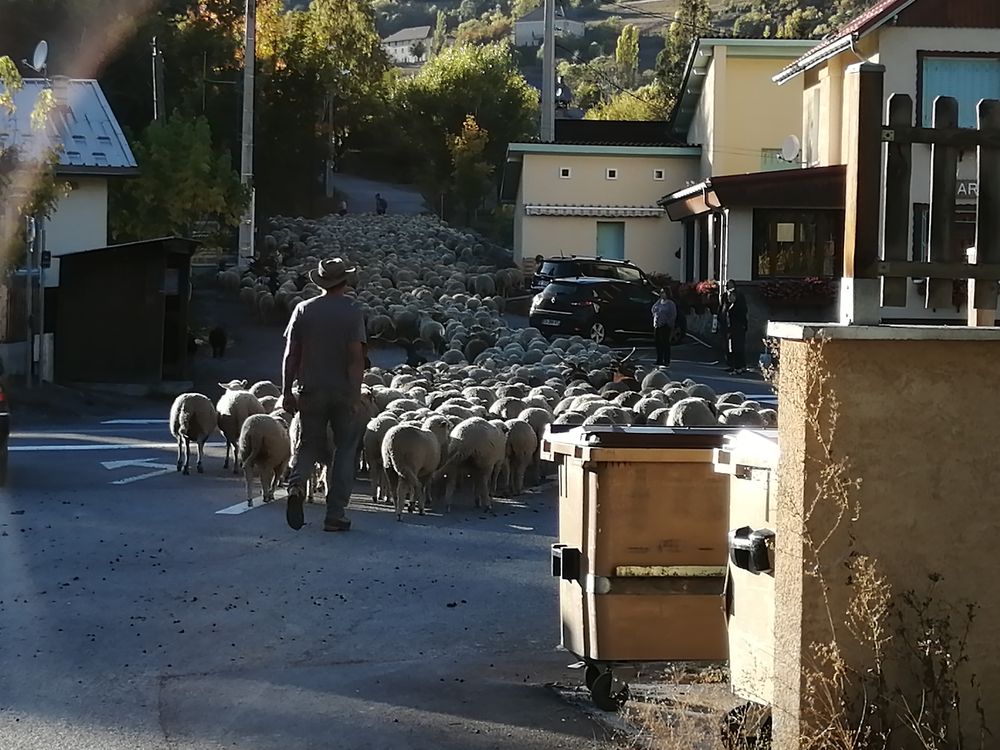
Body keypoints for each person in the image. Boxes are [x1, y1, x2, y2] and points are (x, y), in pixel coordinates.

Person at [279, 258, 367, 532]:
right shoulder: (353, 311)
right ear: (345, 281)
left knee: (307, 443)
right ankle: (335, 514)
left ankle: (296, 486)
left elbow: (291, 355)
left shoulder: (303, 309)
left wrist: (285, 391)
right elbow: (355, 358)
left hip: (310, 390)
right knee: (344, 449)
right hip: (342, 391)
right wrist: (355, 394)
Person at [721, 279, 748, 374]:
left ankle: (739, 366)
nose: (729, 297)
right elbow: (722, 309)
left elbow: (742, 313)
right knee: (730, 347)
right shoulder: (726, 298)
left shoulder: (739, 300)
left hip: (737, 327)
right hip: (729, 327)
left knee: (737, 347)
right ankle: (732, 365)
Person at [650, 287, 677, 368]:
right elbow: (653, 309)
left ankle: (666, 361)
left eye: (663, 292)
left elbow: (673, 314)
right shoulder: (659, 302)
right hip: (657, 325)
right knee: (658, 343)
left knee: (665, 343)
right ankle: (659, 360)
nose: (661, 294)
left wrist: (669, 323)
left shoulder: (670, 303)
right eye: (661, 292)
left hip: (665, 326)